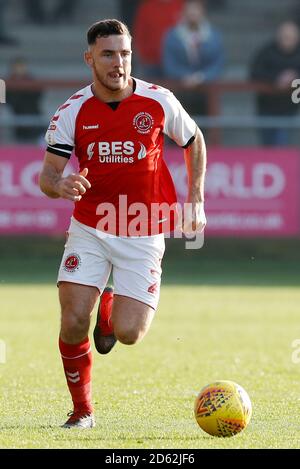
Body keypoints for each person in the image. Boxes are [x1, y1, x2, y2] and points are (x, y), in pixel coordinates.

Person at [39, 18, 207, 429]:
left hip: (144, 229)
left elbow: (194, 140)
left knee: (130, 334)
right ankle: (82, 412)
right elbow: (47, 176)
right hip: (91, 228)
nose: (119, 62)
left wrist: (196, 198)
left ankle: (111, 309)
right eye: (109, 54)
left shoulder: (158, 100)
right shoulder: (73, 111)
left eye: (125, 53)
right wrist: (60, 186)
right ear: (90, 58)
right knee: (74, 317)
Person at [162, 0, 224, 116]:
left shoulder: (214, 36)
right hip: (180, 90)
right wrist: (185, 76)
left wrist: (201, 77)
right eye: (189, 11)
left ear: (202, 13)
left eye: (196, 10)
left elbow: (218, 64)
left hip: (207, 92)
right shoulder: (172, 36)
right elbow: (169, 64)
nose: (193, 14)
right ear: (183, 13)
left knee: (205, 127)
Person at [250, 21, 300, 146]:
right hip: (267, 107)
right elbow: (254, 73)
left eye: (291, 37)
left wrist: (294, 78)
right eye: (285, 37)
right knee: (267, 145)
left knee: (282, 144)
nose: (287, 40)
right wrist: (276, 79)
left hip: (291, 108)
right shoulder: (267, 52)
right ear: (278, 36)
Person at [133, 0, 184, 79]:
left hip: (176, 63)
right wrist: (144, 56)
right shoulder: (147, 7)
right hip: (152, 62)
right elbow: (139, 34)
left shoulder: (181, 5)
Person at [6, 57, 43, 142]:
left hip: (34, 117)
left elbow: (37, 97)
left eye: (21, 66)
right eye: (17, 66)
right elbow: (7, 101)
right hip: (16, 119)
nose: (19, 69)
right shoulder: (8, 82)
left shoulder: (32, 81)